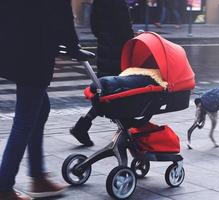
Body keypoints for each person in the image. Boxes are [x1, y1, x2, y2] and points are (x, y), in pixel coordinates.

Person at [0, 1, 93, 199]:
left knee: (40, 110)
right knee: (25, 119)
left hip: (15, 47)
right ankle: (4, 186)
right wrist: (73, 47)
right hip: (34, 51)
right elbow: (60, 11)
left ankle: (38, 176)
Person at [70, 0, 134, 146]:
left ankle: (82, 126)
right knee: (121, 91)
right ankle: (127, 131)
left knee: (104, 91)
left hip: (104, 49)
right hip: (118, 52)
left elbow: (94, 27)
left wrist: (105, 37)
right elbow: (125, 29)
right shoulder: (119, 3)